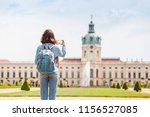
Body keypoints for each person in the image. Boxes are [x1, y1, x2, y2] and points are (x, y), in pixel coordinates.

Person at [35, 29, 66, 100]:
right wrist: (63, 45)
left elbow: (36, 61)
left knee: (43, 95)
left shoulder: (39, 47)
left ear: (43, 37)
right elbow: (63, 54)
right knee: (52, 95)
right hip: (53, 72)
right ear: (53, 37)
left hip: (43, 72)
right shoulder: (56, 47)